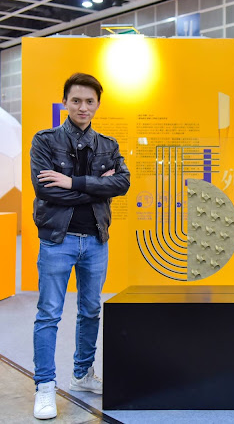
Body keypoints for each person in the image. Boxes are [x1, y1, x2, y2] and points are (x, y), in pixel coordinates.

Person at [30, 73, 130, 420]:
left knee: (90, 310)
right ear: (65, 103)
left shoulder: (108, 145)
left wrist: (72, 182)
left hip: (96, 241)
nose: (83, 107)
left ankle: (82, 374)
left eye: (89, 101)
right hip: (57, 240)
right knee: (49, 313)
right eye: (76, 100)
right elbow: (45, 190)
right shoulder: (45, 141)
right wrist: (97, 187)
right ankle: (44, 385)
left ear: (97, 104)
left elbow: (123, 183)